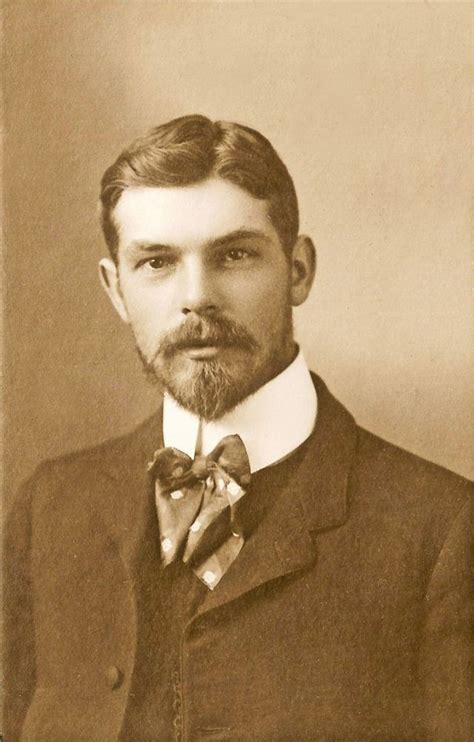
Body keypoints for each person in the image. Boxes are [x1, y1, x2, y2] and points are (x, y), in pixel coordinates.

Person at [3, 115, 472, 742]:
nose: (197, 297)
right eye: (156, 262)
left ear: (299, 270)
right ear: (116, 290)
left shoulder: (441, 529)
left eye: (235, 255)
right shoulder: (51, 506)